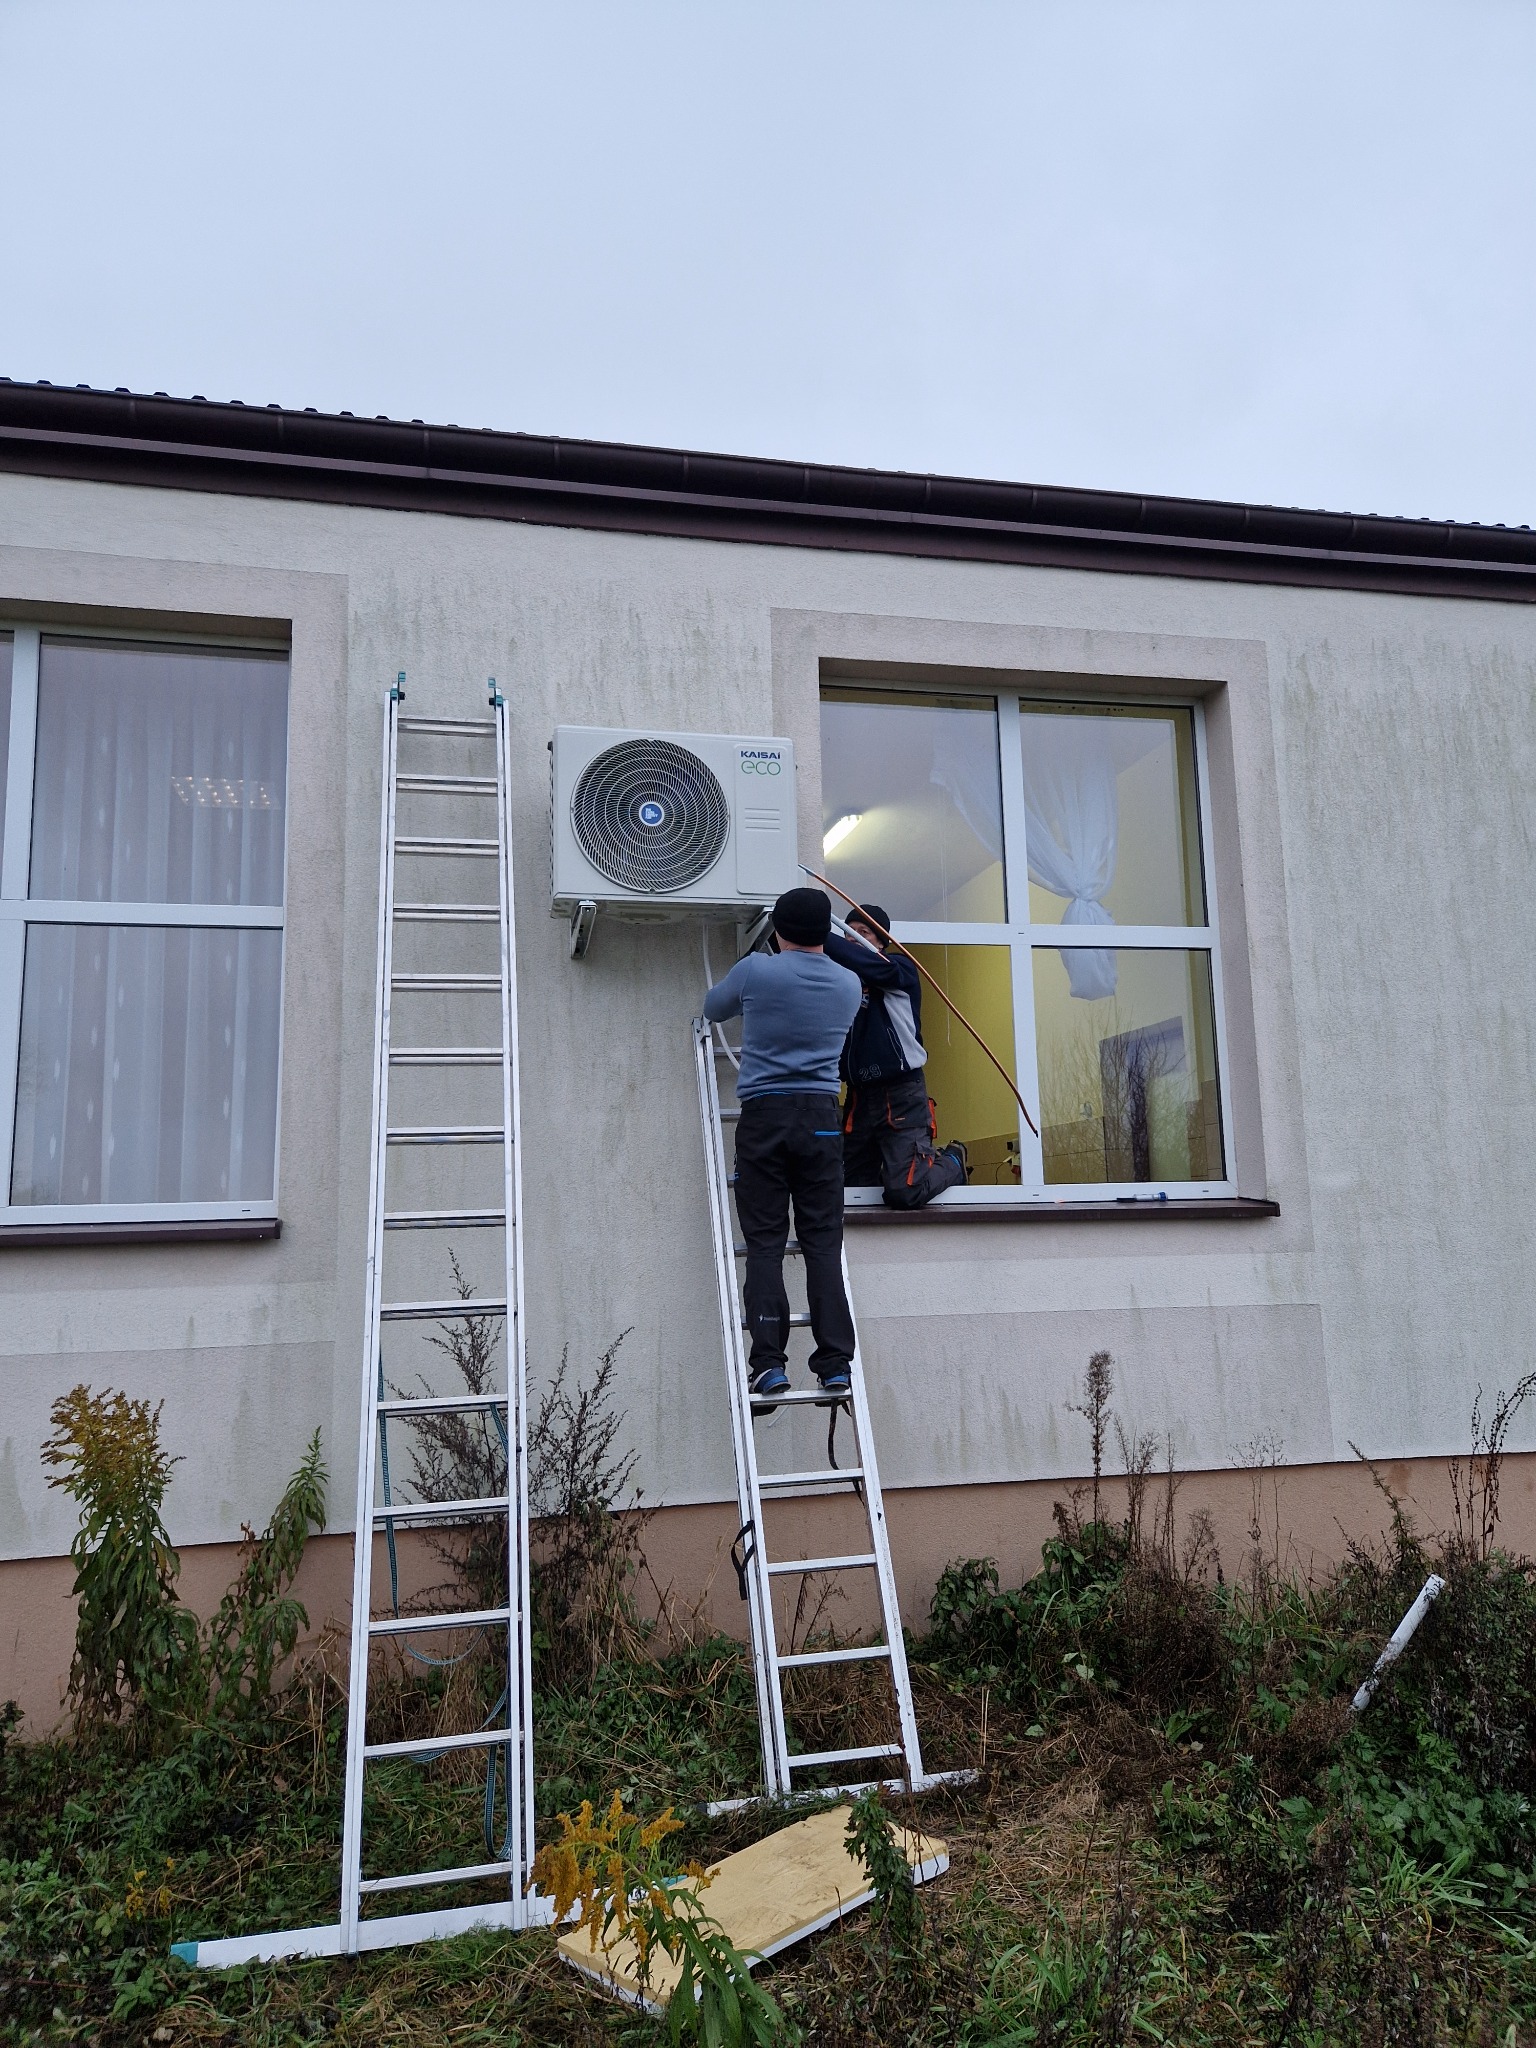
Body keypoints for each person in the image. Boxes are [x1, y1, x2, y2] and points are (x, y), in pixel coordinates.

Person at [702, 887, 861, 1408]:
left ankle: (769, 1367)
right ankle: (835, 1364)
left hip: (765, 1117)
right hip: (820, 1119)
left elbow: (712, 1007)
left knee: (766, 1243)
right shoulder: (849, 984)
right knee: (821, 1242)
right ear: (828, 933)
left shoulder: (756, 971)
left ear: (777, 930)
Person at [824, 903, 969, 1210]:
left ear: (881, 941)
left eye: (862, 933)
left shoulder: (898, 968)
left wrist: (816, 931)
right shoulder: (839, 982)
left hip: (901, 1093)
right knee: (849, 1189)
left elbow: (862, 961)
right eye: (848, 932)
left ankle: (953, 1159)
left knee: (905, 1190)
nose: (852, 939)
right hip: (859, 1098)